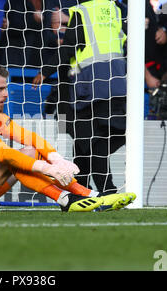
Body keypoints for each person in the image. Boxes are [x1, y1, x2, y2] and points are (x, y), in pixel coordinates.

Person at [0, 64, 136, 212]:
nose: (6, 94)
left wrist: (56, 160)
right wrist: (48, 169)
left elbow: (32, 138)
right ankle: (67, 199)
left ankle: (89, 195)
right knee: (11, 159)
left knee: (30, 152)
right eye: (0, 89)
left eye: (6, 88)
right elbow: (3, 153)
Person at [32, 0, 127, 195]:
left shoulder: (82, 11)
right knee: (91, 141)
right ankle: (81, 191)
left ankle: (105, 191)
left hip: (87, 87)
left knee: (91, 142)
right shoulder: (117, 10)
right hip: (117, 83)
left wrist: (44, 71)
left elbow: (69, 47)